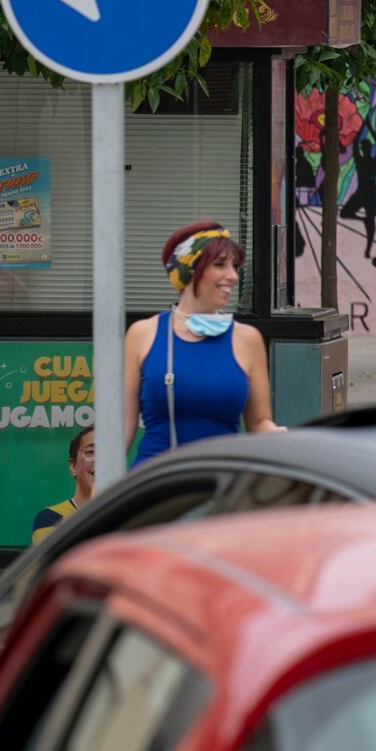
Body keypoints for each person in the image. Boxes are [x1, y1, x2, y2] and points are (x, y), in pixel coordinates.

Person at [125, 222, 279, 463]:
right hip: (154, 486)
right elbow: (123, 426)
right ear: (190, 270)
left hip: (222, 485)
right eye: (219, 264)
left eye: (234, 266)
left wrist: (283, 439)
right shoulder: (143, 334)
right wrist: (100, 488)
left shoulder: (247, 339)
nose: (233, 276)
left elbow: (259, 423)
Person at [31, 427, 96, 544]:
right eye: (91, 452)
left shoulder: (128, 514)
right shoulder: (51, 518)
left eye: (109, 454)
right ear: (73, 466)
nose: (101, 460)